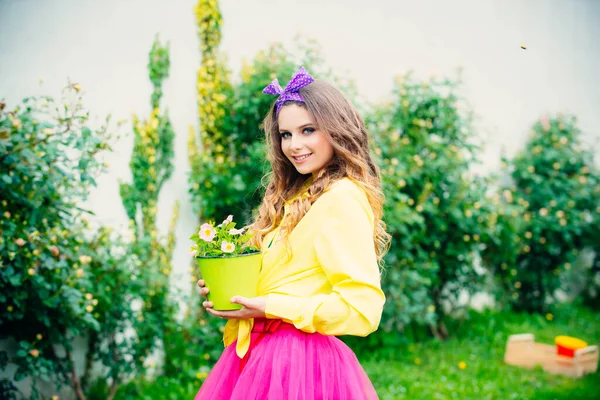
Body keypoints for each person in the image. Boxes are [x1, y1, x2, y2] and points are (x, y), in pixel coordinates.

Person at [194, 66, 390, 400]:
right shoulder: (298, 195)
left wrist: (269, 306)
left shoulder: (340, 197)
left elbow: (363, 309)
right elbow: (290, 274)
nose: (294, 145)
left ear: (336, 130)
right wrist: (233, 282)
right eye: (286, 134)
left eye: (308, 130)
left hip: (300, 363)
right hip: (262, 356)